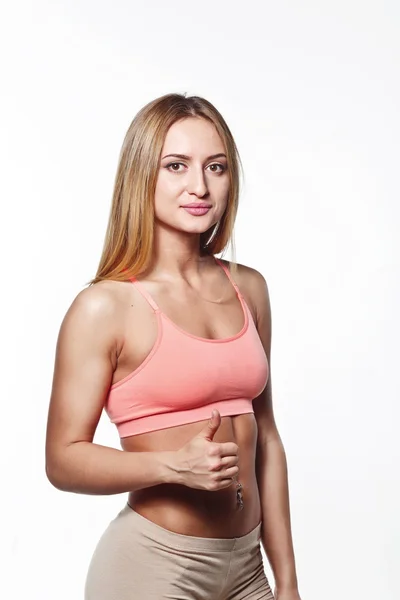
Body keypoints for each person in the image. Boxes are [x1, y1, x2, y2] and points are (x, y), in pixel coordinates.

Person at [45, 93, 302, 600]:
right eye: (176, 166)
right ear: (144, 176)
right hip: (154, 569)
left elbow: (267, 439)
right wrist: (171, 467)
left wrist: (287, 580)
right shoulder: (105, 306)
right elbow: (62, 459)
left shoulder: (248, 288)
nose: (199, 186)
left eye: (217, 166)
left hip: (248, 569)